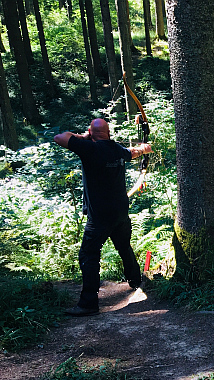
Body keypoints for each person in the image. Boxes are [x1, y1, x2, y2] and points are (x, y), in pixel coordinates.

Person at [54, 118, 152, 316]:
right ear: (108, 132)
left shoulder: (88, 148)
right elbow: (132, 153)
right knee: (124, 246)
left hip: (99, 216)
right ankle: (135, 281)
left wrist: (84, 136)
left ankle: (88, 303)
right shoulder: (116, 149)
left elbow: (60, 137)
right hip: (120, 212)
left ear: (91, 132)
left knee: (89, 255)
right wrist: (144, 149)